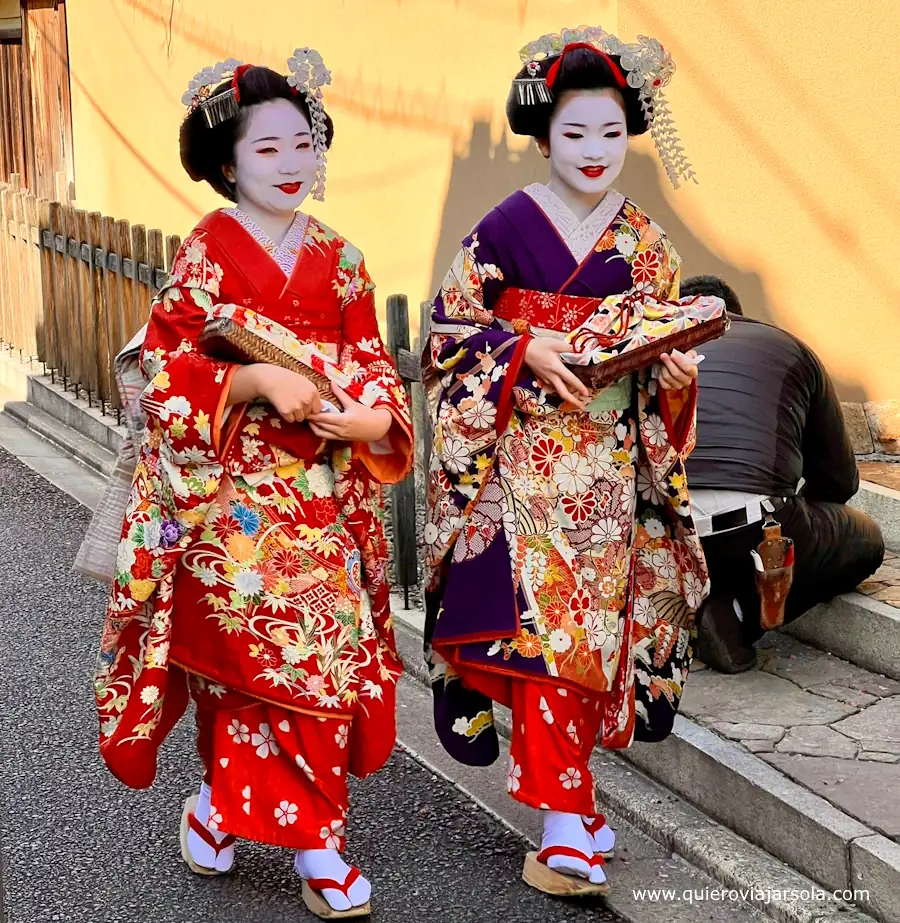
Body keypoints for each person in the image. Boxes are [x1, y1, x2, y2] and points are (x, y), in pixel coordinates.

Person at [87, 55, 412, 919]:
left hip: (323, 491)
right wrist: (251, 384)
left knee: (324, 664)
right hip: (227, 496)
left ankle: (238, 814)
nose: (291, 162)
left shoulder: (342, 260)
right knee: (247, 670)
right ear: (229, 164)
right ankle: (312, 845)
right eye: (268, 148)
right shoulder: (206, 251)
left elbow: (372, 357)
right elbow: (160, 369)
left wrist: (377, 418)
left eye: (303, 143)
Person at [422, 26, 713, 897]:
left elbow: (662, 336)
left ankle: (571, 799)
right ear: (544, 134)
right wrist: (520, 346)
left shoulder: (647, 245)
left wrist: (673, 375)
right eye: (576, 132)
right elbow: (444, 334)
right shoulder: (503, 227)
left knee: (593, 642)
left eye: (612, 132)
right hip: (521, 464)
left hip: (612, 470)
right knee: (545, 641)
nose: (594, 151)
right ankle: (560, 830)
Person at [680, 274, 885, 673]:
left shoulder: (650, 352)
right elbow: (839, 480)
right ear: (737, 313)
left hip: (656, 535)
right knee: (867, 541)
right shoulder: (786, 347)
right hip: (751, 528)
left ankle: (713, 599)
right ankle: (735, 613)